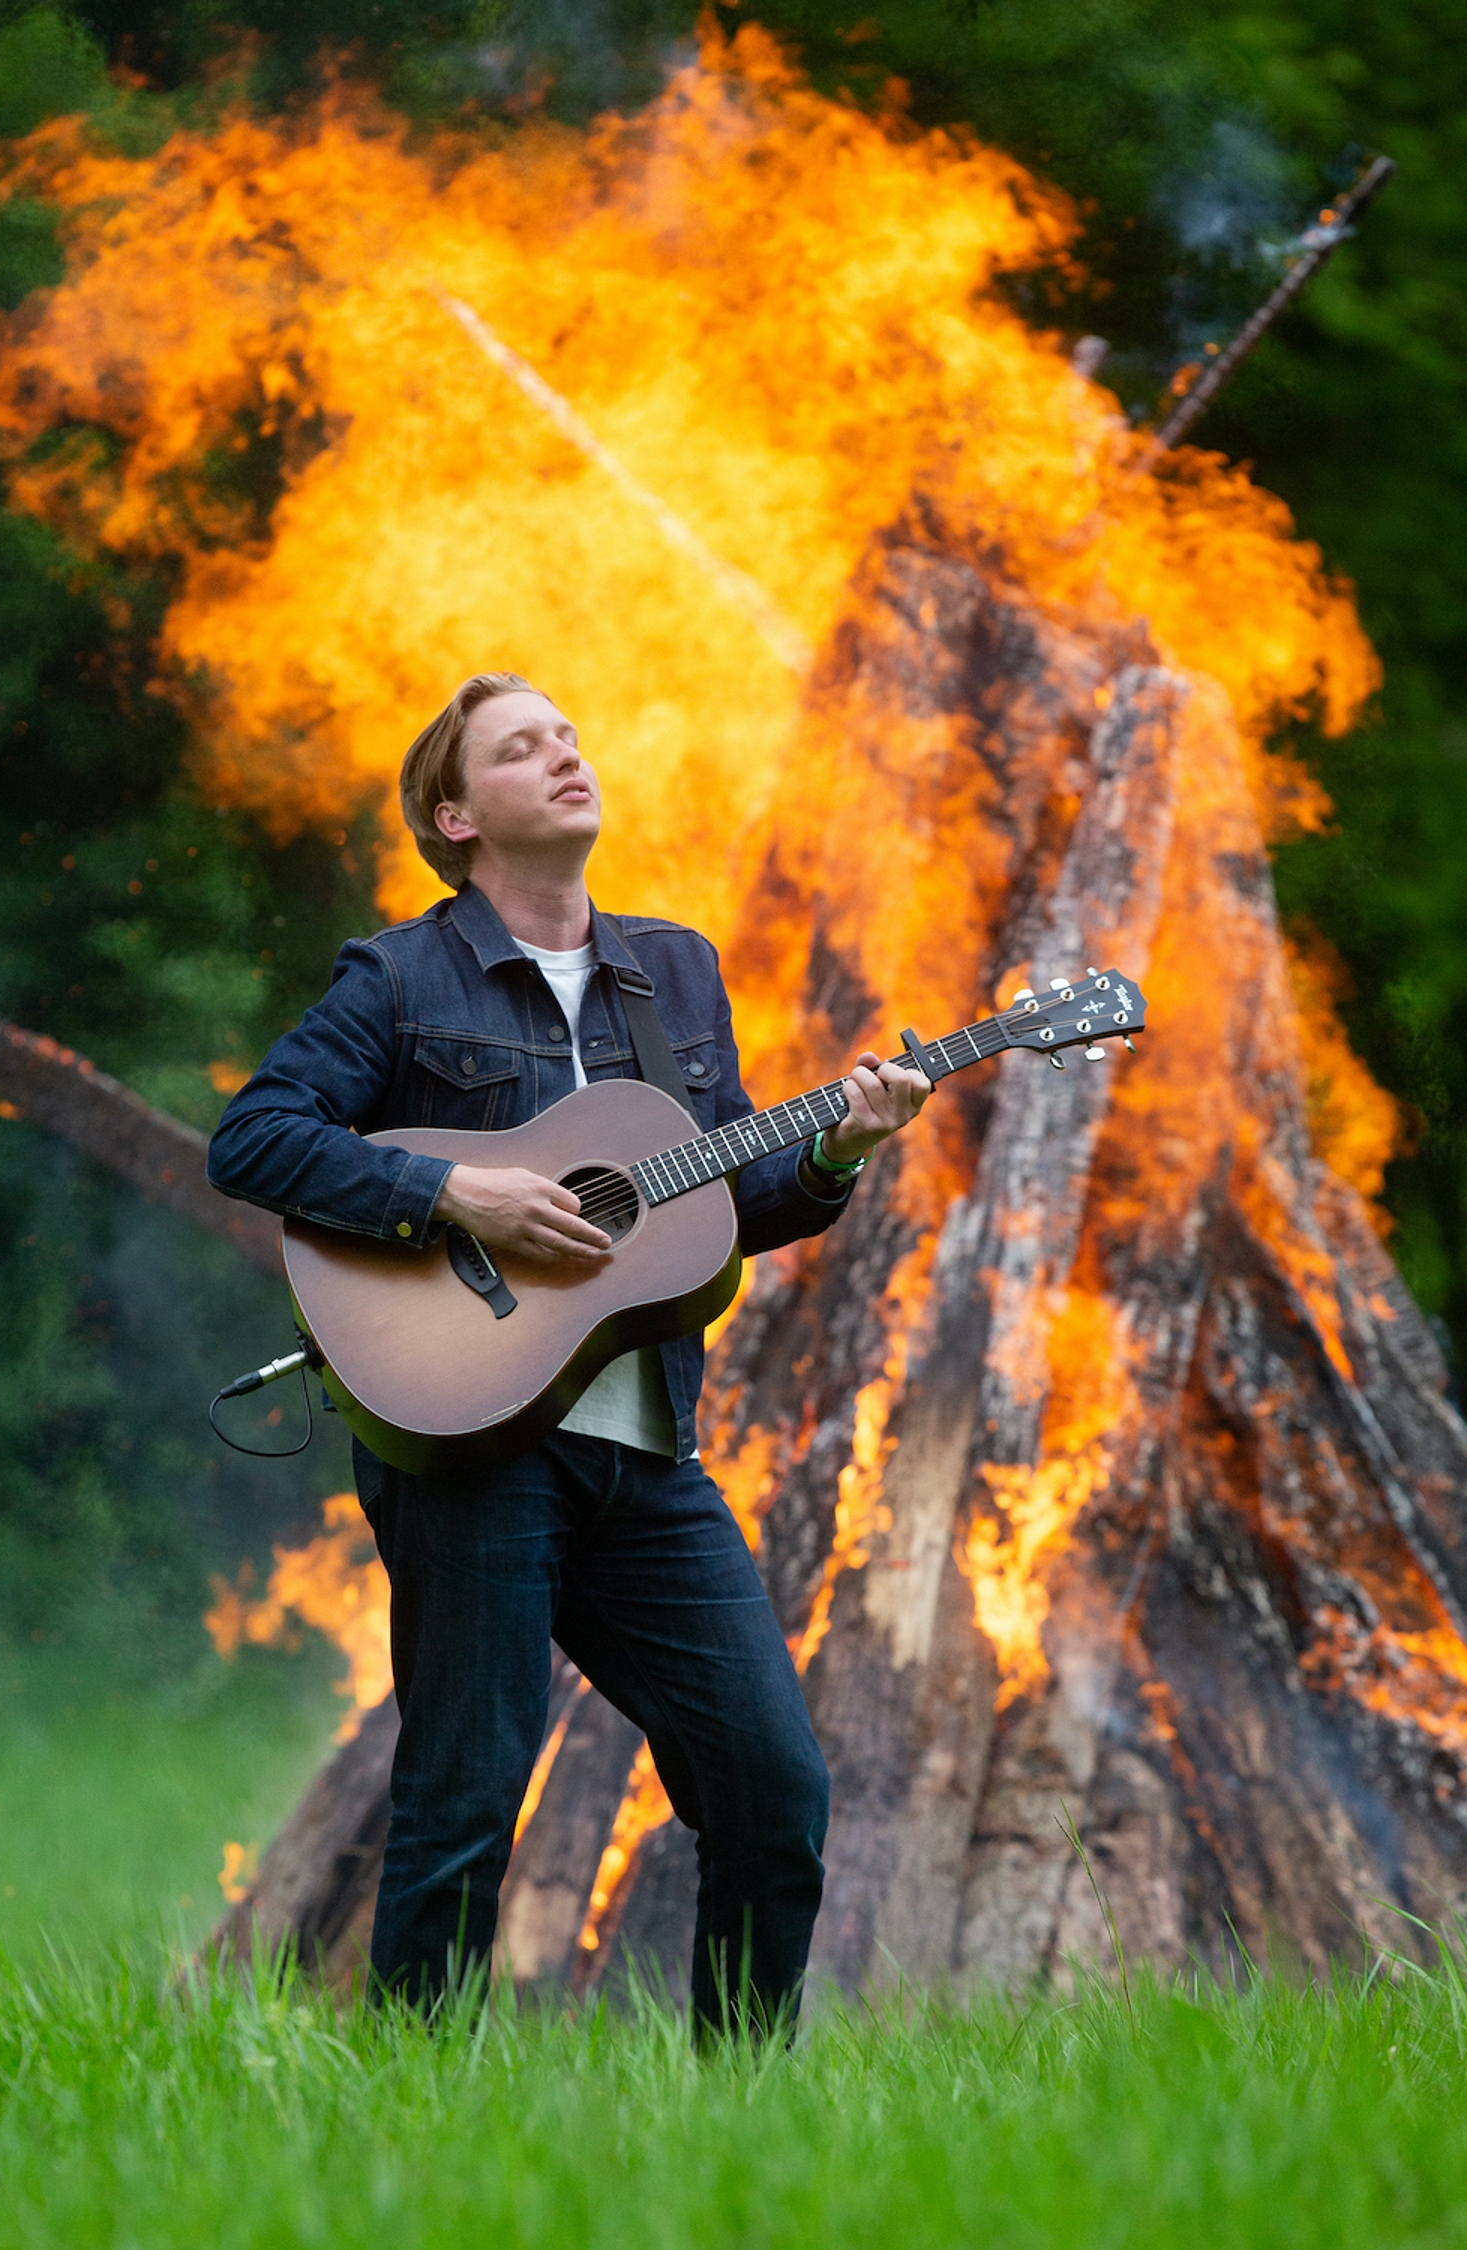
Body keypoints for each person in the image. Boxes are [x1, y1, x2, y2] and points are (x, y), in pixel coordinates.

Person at [207, 671, 930, 2029]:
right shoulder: (400, 973)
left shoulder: (679, 973)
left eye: (571, 737)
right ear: (454, 811)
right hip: (473, 1441)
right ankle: (413, 2132)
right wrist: (452, 1192)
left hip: (647, 1457)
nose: (563, 756)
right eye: (520, 748)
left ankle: (743, 2114)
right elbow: (255, 1138)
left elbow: (700, 1216)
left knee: (774, 1788)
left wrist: (833, 1151)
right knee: (466, 1799)